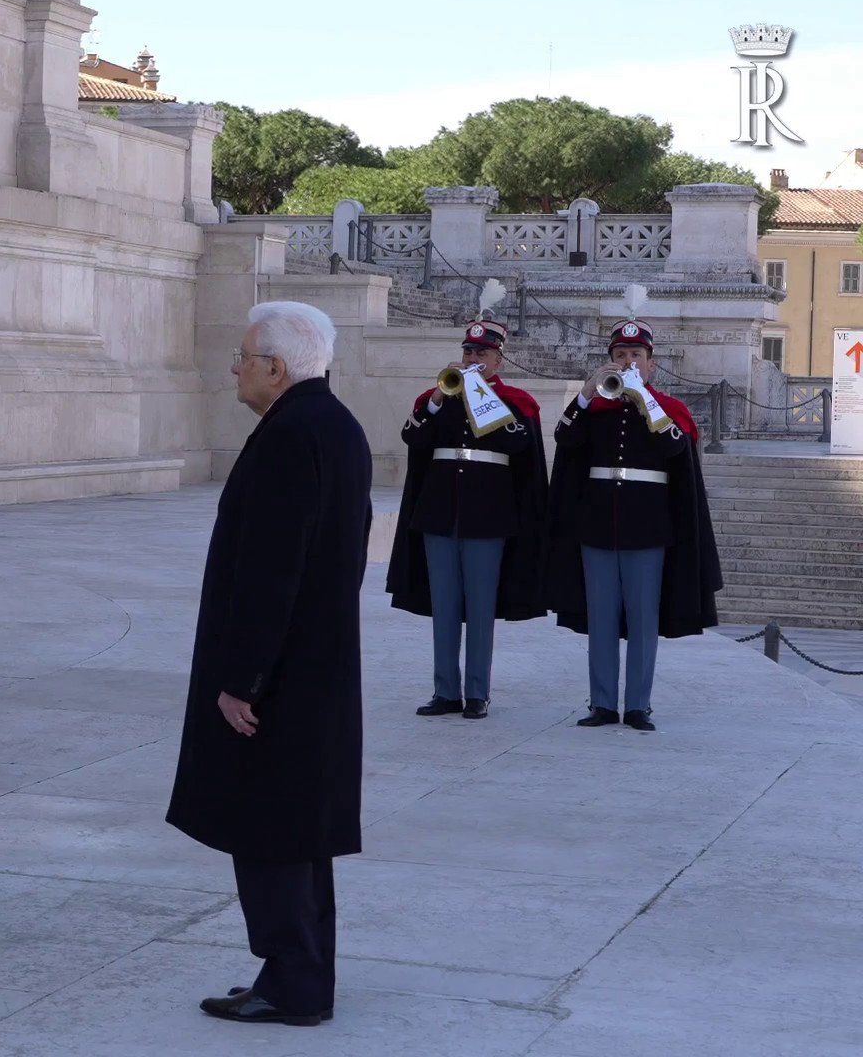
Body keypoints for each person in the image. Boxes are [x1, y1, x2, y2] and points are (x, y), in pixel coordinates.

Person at [166, 301, 371, 1028]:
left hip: (279, 677)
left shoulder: (291, 436)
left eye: (245, 357)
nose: (235, 368)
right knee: (299, 831)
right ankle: (302, 971)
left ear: (277, 369)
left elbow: (271, 570)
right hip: (315, 663)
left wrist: (241, 678)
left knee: (270, 830)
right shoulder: (335, 426)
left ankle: (291, 983)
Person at [545, 289, 721, 731]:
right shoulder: (595, 409)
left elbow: (675, 451)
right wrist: (585, 394)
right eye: (620, 354)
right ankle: (602, 703)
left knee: (644, 621)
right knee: (601, 619)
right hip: (598, 527)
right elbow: (564, 439)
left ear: (651, 362)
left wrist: (647, 403)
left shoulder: (670, 411)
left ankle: (638, 704)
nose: (628, 362)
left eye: (636, 354)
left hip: (649, 529)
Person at [385, 305, 548, 720]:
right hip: (439, 514)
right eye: (468, 353)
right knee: (444, 608)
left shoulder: (513, 401)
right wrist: (439, 399)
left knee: (479, 609)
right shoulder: (439, 397)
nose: (473, 361)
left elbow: (517, 445)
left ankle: (477, 692)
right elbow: (412, 437)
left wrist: (481, 396)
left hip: (488, 517)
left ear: (498, 359)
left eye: (482, 354)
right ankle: (445, 691)